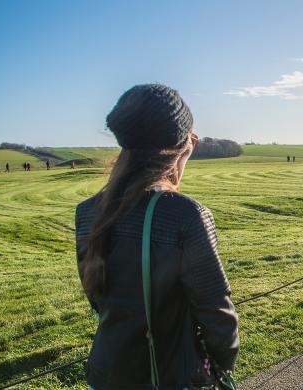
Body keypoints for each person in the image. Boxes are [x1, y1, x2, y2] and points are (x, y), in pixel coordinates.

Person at [75, 84, 239, 389]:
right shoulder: (185, 215)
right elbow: (218, 316)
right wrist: (219, 364)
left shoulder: (87, 212)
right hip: (169, 376)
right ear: (181, 143)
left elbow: (99, 299)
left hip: (105, 374)